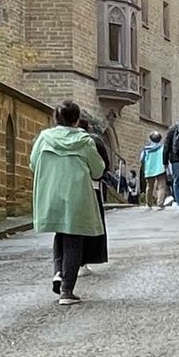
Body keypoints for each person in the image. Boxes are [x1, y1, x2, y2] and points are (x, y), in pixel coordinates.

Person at [29, 101, 105, 305]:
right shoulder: (84, 140)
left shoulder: (44, 138)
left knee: (60, 234)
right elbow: (98, 170)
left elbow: (33, 163)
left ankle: (58, 272)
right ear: (77, 119)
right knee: (74, 240)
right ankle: (67, 291)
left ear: (56, 118)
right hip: (76, 196)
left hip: (50, 194)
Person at [76, 117, 111, 273]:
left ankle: (65, 266)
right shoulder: (93, 140)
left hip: (67, 187)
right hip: (92, 186)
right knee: (91, 225)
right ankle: (84, 262)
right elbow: (104, 165)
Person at [140, 131, 167, 208]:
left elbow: (141, 159)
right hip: (160, 168)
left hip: (149, 168)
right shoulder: (162, 148)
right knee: (161, 186)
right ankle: (160, 202)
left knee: (149, 186)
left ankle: (148, 204)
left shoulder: (146, 149)